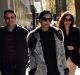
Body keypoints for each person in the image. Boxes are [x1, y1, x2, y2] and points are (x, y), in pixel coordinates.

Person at [27, 10, 69, 75]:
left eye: (49, 19)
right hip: (41, 71)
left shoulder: (58, 33)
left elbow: (62, 53)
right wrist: (32, 71)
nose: (47, 21)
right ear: (40, 20)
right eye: (44, 19)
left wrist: (65, 69)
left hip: (57, 70)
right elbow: (31, 56)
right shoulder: (32, 36)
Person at [0, 9, 28, 75]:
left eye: (12, 17)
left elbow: (28, 48)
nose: (10, 20)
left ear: (15, 18)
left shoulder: (23, 32)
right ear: (5, 19)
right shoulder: (1, 32)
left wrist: (25, 62)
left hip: (20, 66)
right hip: (6, 67)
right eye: (7, 18)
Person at [58, 11, 80, 75]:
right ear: (62, 20)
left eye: (70, 19)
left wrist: (74, 47)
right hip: (62, 59)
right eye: (66, 19)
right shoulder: (58, 31)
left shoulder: (76, 30)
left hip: (74, 58)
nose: (68, 21)